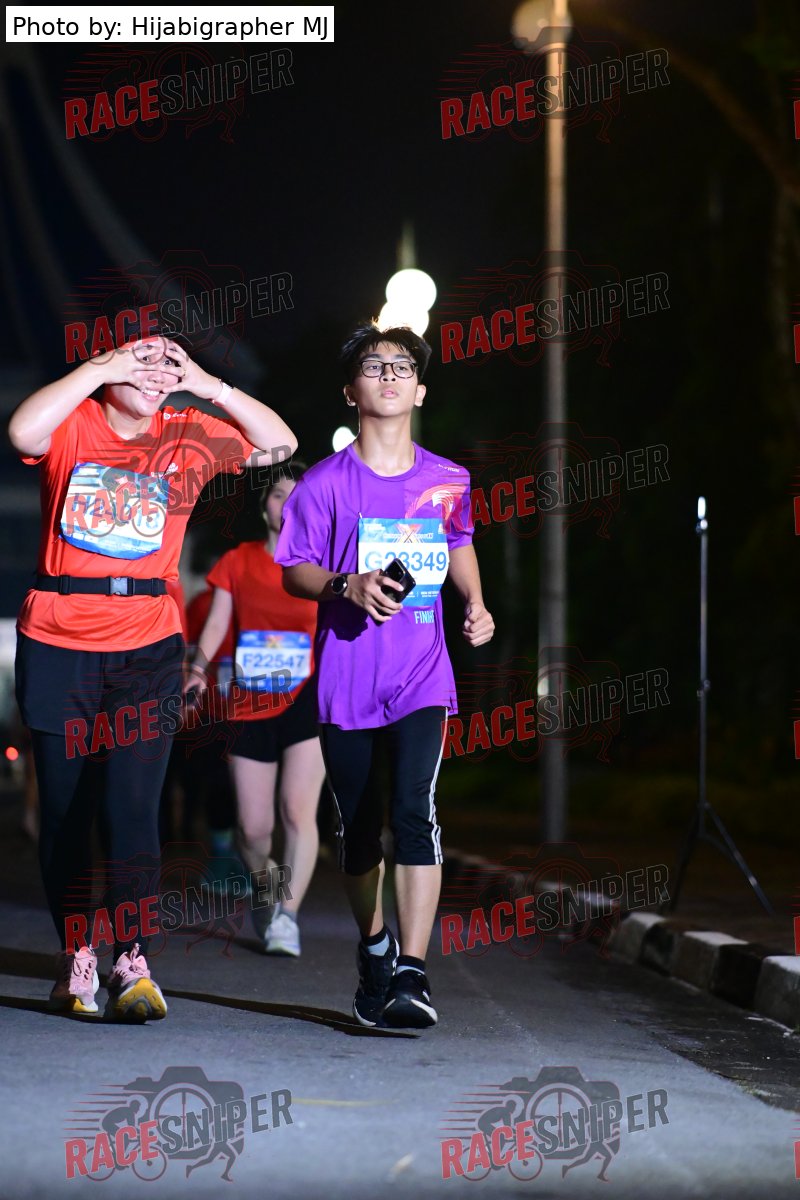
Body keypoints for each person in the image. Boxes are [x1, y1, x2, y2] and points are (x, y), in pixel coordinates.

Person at [9, 327, 296, 1021]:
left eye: (166, 365)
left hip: (148, 647)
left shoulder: (187, 434)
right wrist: (100, 367)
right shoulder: (74, 421)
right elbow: (22, 428)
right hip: (58, 638)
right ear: (109, 363)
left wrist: (204, 382)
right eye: (140, 360)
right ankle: (77, 954)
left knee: (133, 808)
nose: (154, 374)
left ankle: (131, 959)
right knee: (67, 812)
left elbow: (280, 444)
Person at [275, 323, 494, 1028]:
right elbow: (295, 570)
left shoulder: (447, 479)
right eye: (374, 366)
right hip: (347, 680)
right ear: (351, 391)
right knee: (359, 830)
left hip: (422, 675)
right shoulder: (323, 484)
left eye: (403, 367)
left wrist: (476, 602)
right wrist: (348, 584)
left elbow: (457, 542)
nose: (390, 375)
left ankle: (412, 974)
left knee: (414, 813)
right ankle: (374, 947)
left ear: (420, 391)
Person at [184, 466, 325, 956]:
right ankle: (269, 886)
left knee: (297, 810)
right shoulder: (238, 560)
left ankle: (287, 917)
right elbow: (216, 623)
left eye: (297, 497)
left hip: (307, 695)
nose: (287, 504)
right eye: (278, 495)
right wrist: (197, 670)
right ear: (264, 505)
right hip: (250, 699)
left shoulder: (323, 563)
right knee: (253, 829)